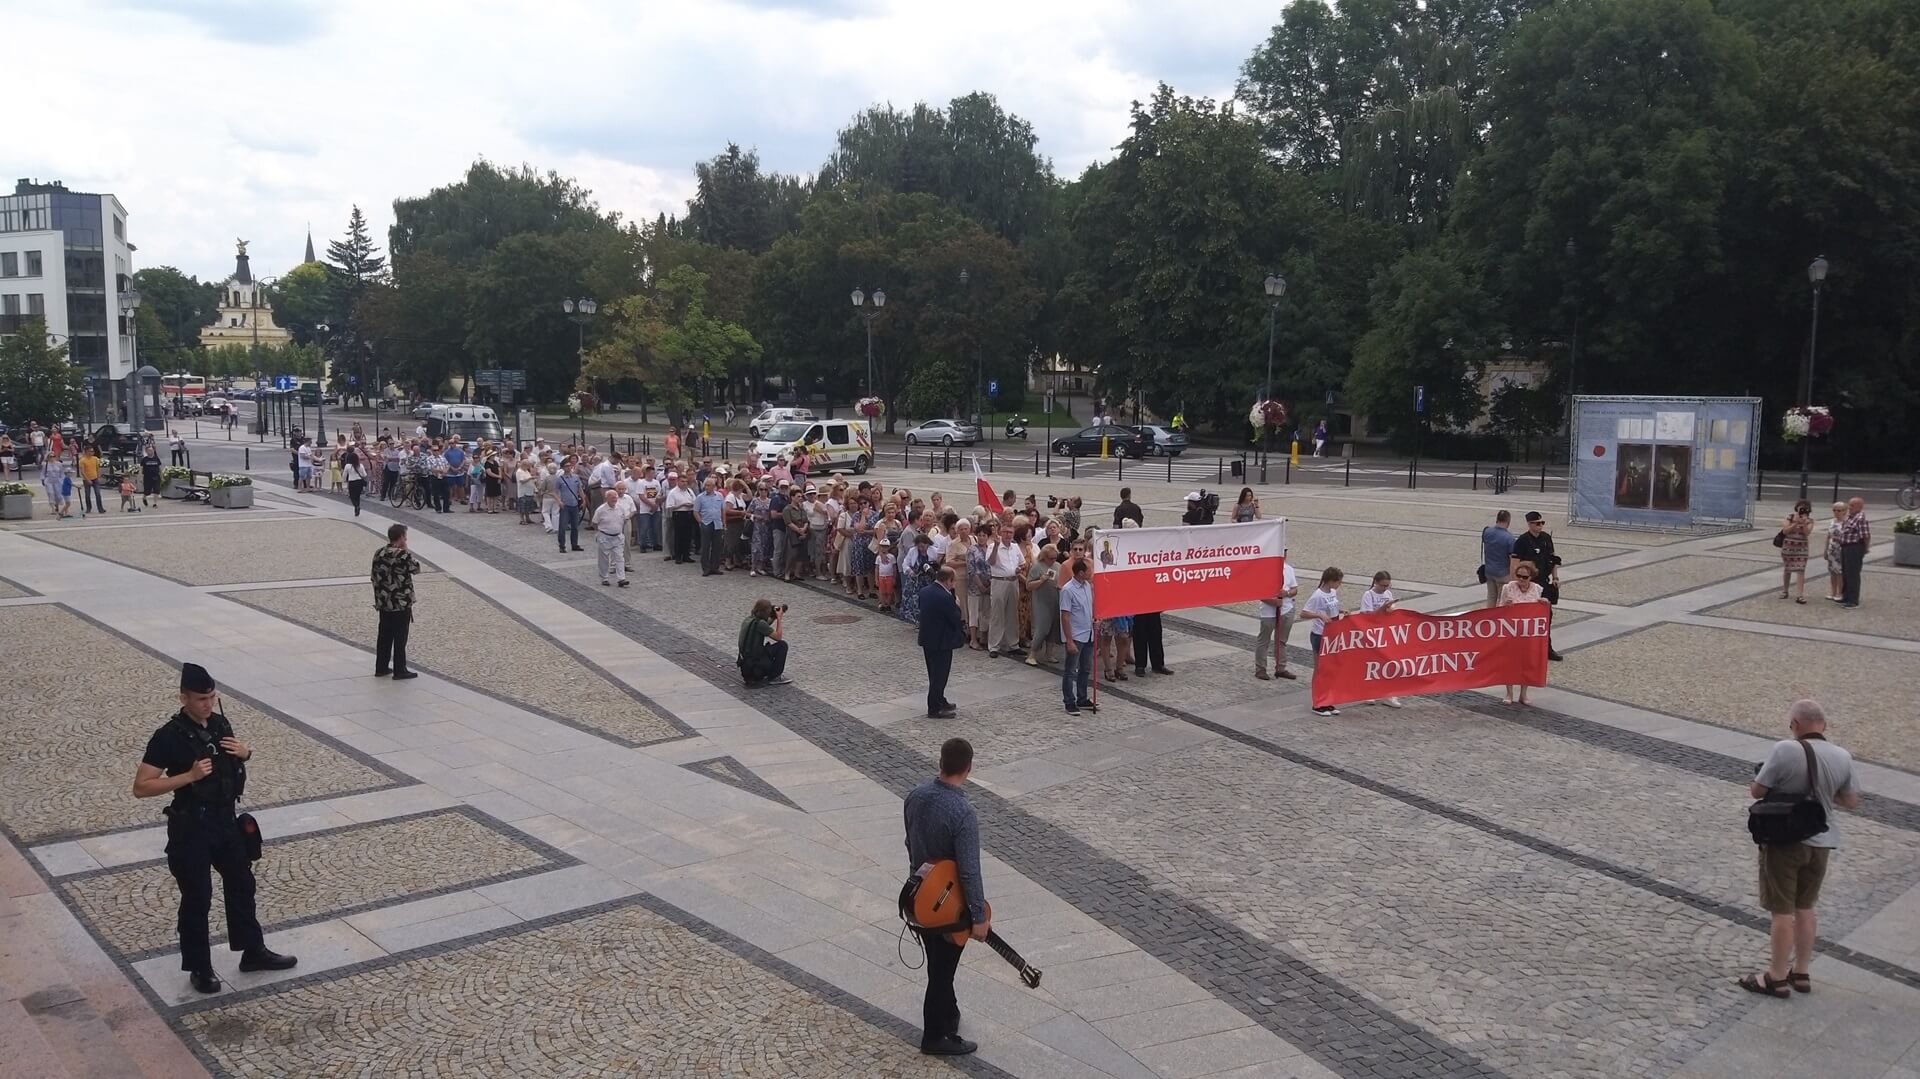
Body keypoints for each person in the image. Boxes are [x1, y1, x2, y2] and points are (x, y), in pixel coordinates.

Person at [131, 662, 298, 994]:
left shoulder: (220, 722)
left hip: (225, 822)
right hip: (191, 827)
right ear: (183, 698)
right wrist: (187, 777)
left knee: (242, 884)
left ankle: (252, 951)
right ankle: (200, 968)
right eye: (200, 699)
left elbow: (232, 761)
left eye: (211, 697)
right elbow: (141, 786)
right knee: (197, 898)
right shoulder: (168, 736)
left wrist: (246, 753)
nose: (207, 704)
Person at [1738, 700, 1860, 999]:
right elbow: (1851, 800)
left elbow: (1757, 790)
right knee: (1806, 907)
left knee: (1782, 911)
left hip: (1786, 840)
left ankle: (1776, 976)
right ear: (1824, 726)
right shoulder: (1843, 756)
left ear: (1794, 724)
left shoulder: (1786, 749)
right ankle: (1802, 972)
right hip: (1823, 840)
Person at [902, 737, 988, 1057]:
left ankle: (949, 1014)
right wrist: (978, 916)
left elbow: (910, 843)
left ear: (941, 762)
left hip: (919, 897)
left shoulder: (915, 796)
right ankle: (935, 1036)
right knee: (941, 972)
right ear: (968, 768)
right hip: (948, 906)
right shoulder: (962, 812)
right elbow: (969, 871)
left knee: (938, 964)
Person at [1510, 511, 1566, 661]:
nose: (1540, 526)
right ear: (1529, 524)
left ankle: (1547, 649)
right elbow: (1514, 565)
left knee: (1546, 617)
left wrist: (1555, 577)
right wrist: (1517, 584)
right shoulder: (1522, 541)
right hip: (1528, 583)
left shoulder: (1546, 538)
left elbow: (1553, 560)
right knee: (1527, 618)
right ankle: (1524, 649)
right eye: (1537, 523)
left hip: (1543, 583)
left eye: (1542, 523)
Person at [371, 524, 420, 680]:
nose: (406, 539)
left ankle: (381, 666)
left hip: (385, 602)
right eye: (405, 537)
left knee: (384, 635)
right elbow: (416, 569)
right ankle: (400, 669)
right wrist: (406, 549)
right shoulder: (402, 555)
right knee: (400, 636)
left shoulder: (379, 552)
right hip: (400, 603)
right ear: (400, 537)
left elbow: (374, 575)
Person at [918, 567, 966, 717]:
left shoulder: (925, 591)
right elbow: (954, 617)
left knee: (933, 672)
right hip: (942, 641)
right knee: (940, 675)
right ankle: (934, 708)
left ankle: (940, 699)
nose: (954, 584)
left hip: (928, 638)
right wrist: (957, 605)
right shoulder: (945, 597)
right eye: (954, 581)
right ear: (947, 580)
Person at [1498, 564, 1545, 705]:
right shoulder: (1508, 587)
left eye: (1524, 577)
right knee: (1509, 663)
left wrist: (1544, 603)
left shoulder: (1537, 589)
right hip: (1511, 632)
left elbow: (1540, 611)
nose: (1521, 579)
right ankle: (1509, 693)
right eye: (1518, 576)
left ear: (1531, 577)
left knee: (1527, 663)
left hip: (1528, 634)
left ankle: (1524, 694)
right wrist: (1505, 605)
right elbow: (1499, 608)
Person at [1358, 572, 1404, 707]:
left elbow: (1390, 611)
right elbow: (1366, 615)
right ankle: (1369, 691)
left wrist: (1391, 610)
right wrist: (1382, 609)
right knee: (1372, 663)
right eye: (1383, 585)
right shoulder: (1368, 595)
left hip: (1385, 631)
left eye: (1387, 585)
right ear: (1376, 582)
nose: (1385, 588)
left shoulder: (1388, 594)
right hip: (1371, 632)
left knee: (1387, 662)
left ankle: (1388, 693)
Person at [1059, 557, 1096, 715]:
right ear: (1081, 573)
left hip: (1088, 633)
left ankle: (1082, 697)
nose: (1091, 573)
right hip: (1076, 636)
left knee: (1085, 669)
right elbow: (1065, 616)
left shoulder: (1087, 586)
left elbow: (1089, 607)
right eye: (1089, 570)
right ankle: (1069, 701)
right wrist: (1069, 640)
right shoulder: (1068, 590)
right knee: (1070, 671)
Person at [1304, 567, 1343, 716]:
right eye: (1338, 581)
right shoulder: (1317, 595)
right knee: (1320, 669)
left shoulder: (1332, 592)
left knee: (1329, 669)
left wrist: (1341, 611)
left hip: (1332, 634)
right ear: (1331, 581)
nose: (1340, 584)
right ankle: (1317, 702)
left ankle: (1326, 700)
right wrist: (1319, 616)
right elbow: (1304, 613)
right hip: (1319, 634)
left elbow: (1332, 609)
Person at [1255, 551, 1299, 681]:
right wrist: (1272, 601)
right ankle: (1260, 669)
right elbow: (1258, 591)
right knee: (1264, 640)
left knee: (1282, 641)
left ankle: (1281, 668)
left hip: (1286, 609)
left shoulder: (1288, 569)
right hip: (1268, 612)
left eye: (1284, 553)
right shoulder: (1264, 569)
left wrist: (1287, 593)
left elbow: (1295, 589)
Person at [985, 520, 1024, 658]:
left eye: (1010, 532)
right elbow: (990, 562)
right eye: (1005, 532)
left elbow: (1022, 563)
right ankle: (994, 646)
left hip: (1013, 582)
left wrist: (1019, 569)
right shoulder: (992, 546)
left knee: (1012, 614)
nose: (1007, 535)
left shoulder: (1015, 547)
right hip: (999, 582)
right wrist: (996, 546)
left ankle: (1013, 644)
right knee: (997, 614)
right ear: (1000, 532)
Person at [736, 599, 790, 686]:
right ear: (765, 612)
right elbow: (778, 637)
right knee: (782, 645)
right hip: (755, 669)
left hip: (746, 667)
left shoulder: (749, 620)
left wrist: (774, 616)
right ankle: (774, 677)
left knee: (765, 649)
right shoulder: (760, 624)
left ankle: (761, 673)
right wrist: (779, 618)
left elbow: (765, 625)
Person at [1835, 497, 1870, 608]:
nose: (1849, 508)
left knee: (1853, 574)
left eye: (1852, 506)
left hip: (1854, 547)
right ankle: (1846, 596)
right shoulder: (1851, 517)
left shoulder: (1860, 518)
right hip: (1845, 547)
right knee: (1845, 572)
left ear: (1859, 507)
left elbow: (1866, 535)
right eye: (1849, 505)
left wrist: (1865, 548)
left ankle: (1853, 600)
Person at [592, 489, 631, 587]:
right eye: (612, 497)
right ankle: (604, 578)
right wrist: (600, 532)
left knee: (619, 558)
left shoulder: (620, 508)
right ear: (607, 498)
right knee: (604, 559)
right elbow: (594, 523)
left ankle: (621, 578)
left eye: (616, 497)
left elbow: (624, 520)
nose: (615, 499)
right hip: (605, 536)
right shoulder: (601, 510)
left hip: (617, 537)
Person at [1481, 510, 1516, 608]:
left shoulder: (1487, 532)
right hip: (1503, 573)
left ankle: (1489, 617)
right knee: (1502, 600)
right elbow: (1512, 559)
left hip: (1489, 571)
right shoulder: (1509, 538)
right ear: (1508, 521)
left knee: (1491, 597)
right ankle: (1499, 620)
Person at [697, 478, 728, 576]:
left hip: (717, 523)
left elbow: (723, 510)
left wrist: (724, 523)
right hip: (706, 523)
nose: (707, 487)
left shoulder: (719, 496)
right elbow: (695, 511)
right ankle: (706, 568)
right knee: (706, 546)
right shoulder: (700, 497)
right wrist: (701, 522)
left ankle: (715, 567)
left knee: (717, 546)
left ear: (714, 486)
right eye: (706, 485)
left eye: (709, 485)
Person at [554, 460, 586, 553]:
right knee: (563, 526)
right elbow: (555, 492)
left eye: (569, 466)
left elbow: (580, 489)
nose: (568, 467)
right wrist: (559, 501)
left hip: (574, 504)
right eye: (566, 466)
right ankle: (562, 545)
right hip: (565, 505)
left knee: (575, 526)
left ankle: (574, 544)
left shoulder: (576, 477)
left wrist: (584, 500)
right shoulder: (560, 479)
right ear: (563, 468)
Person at [1822, 501, 1847, 603]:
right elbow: (1828, 536)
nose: (1836, 512)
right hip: (1832, 549)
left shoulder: (1846, 522)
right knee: (1832, 572)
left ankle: (1840, 592)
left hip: (1841, 549)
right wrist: (1825, 549)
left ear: (1845, 511)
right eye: (1834, 510)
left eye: (1839, 510)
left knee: (1840, 572)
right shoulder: (1832, 521)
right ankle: (1833, 592)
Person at [78, 445, 104, 514]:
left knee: (98, 494)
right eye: (90, 451)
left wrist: (98, 476)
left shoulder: (95, 459)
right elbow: (82, 472)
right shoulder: (82, 460)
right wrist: (87, 479)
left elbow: (98, 468)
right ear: (86, 452)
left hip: (95, 478)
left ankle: (100, 508)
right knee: (87, 494)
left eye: (92, 451)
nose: (92, 452)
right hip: (86, 479)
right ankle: (88, 508)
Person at [342, 451, 368, 516]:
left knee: (352, 496)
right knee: (357, 496)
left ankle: (356, 506)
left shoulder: (348, 466)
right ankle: (358, 506)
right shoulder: (360, 465)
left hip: (352, 482)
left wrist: (344, 480)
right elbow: (364, 475)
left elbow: (344, 475)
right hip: (359, 482)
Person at [138, 439, 162, 508]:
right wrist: (140, 477)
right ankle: (144, 498)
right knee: (147, 491)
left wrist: (161, 475)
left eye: (151, 450)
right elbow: (141, 469)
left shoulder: (156, 459)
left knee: (156, 490)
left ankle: (155, 503)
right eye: (149, 451)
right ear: (146, 451)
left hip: (156, 476)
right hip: (147, 477)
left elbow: (159, 467)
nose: (150, 452)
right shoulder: (144, 459)